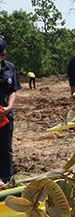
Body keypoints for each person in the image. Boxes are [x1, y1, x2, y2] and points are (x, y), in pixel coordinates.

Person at [0, 37, 22, 186]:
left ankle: (8, 180)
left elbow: (13, 90)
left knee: (6, 148)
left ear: (3, 55)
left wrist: (9, 108)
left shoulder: (10, 68)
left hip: (5, 116)